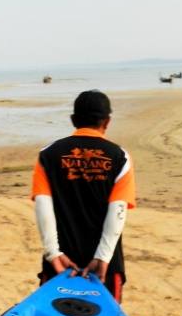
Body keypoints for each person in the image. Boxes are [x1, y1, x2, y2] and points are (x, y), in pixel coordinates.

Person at [31, 90, 135, 302]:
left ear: (73, 120)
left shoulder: (48, 155)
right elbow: (117, 211)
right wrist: (102, 257)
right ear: (106, 122)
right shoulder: (119, 157)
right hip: (104, 267)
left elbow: (43, 205)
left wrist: (53, 253)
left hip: (59, 264)